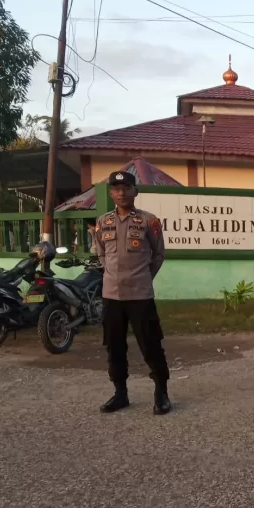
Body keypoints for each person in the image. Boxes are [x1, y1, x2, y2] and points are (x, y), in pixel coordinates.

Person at [94, 171, 172, 415]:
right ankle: (120, 393)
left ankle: (161, 393)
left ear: (135, 191)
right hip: (112, 296)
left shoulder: (150, 221)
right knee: (114, 346)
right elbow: (101, 254)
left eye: (126, 187)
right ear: (110, 193)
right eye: (116, 189)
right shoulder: (102, 222)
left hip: (140, 295)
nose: (121, 193)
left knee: (151, 345)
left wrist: (145, 277)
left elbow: (158, 254)